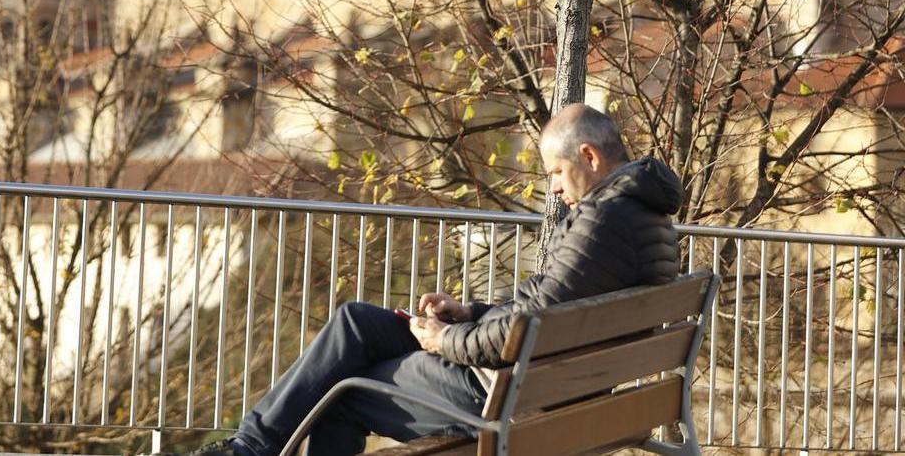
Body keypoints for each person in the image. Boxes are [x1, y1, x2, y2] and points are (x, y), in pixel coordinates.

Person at [180, 104, 682, 456]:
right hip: (547, 379)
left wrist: (446, 339)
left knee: (342, 395)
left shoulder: (603, 222)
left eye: (556, 171)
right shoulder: (641, 214)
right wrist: (470, 313)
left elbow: (529, 327)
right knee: (356, 323)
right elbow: (542, 305)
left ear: (589, 158)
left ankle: (251, 448)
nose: (552, 187)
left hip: (510, 392)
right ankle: (252, 444)